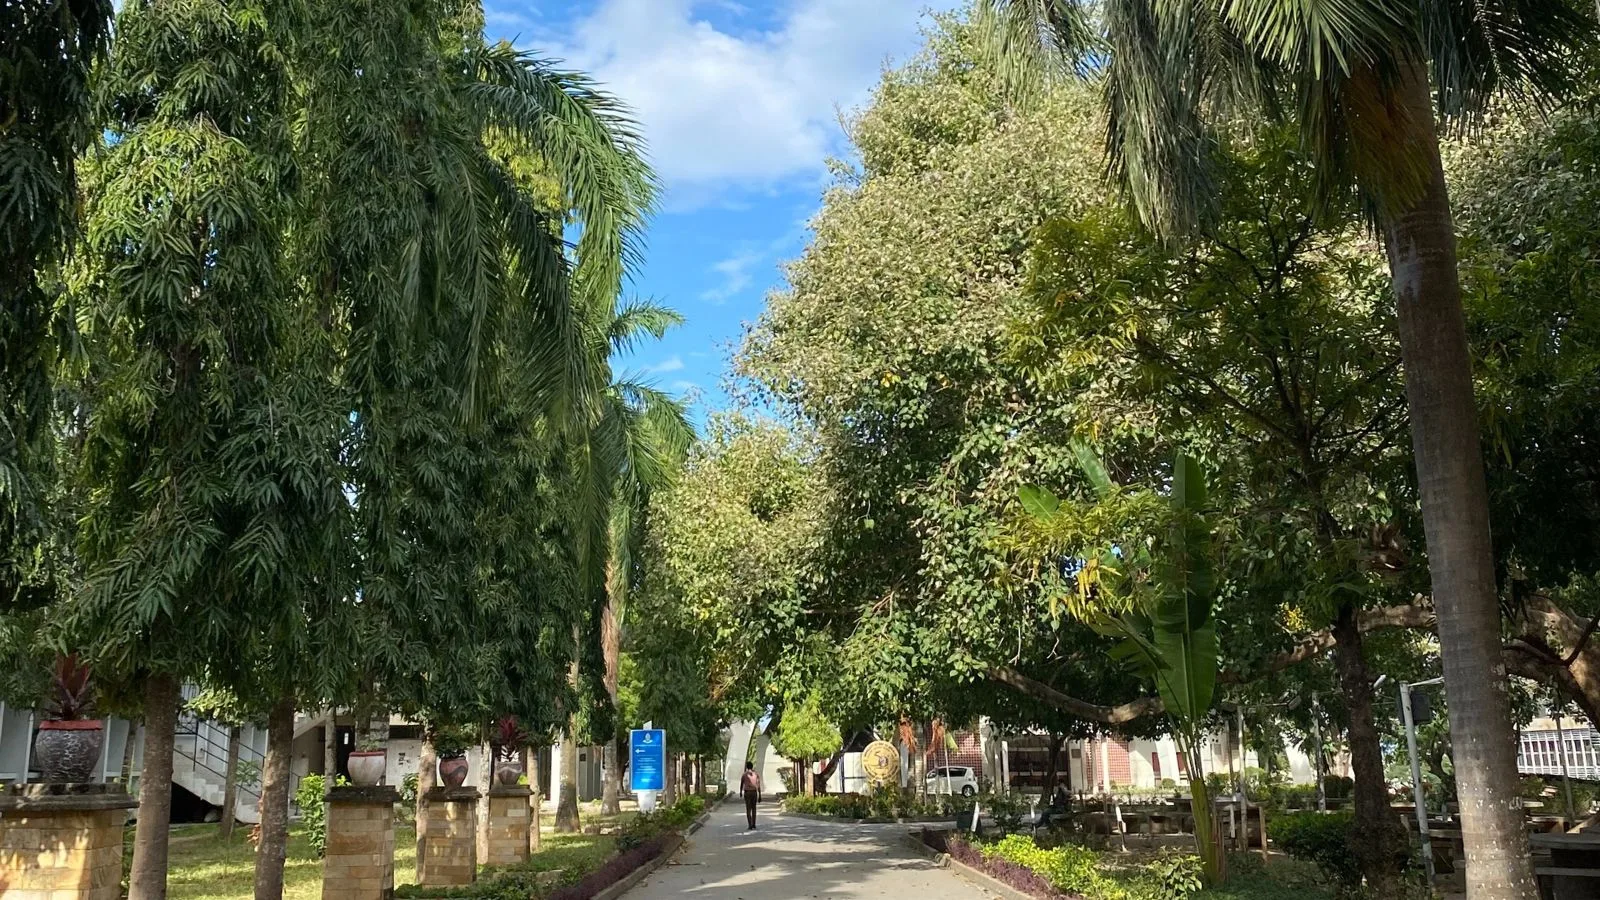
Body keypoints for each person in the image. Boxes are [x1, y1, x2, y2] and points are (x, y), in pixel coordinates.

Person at [740, 761, 762, 829]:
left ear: (747, 767)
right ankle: (754, 824)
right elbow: (758, 785)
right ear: (752, 766)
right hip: (754, 792)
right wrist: (760, 794)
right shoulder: (756, 774)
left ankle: (750, 825)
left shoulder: (744, 775)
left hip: (747, 793)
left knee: (748, 809)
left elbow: (741, 784)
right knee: (754, 808)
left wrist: (740, 791)